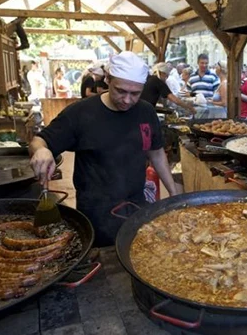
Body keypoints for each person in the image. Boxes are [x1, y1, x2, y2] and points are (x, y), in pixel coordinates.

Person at [29, 51, 178, 247]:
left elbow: (156, 153)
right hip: (96, 212)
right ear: (107, 79)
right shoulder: (81, 113)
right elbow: (39, 141)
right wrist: (41, 150)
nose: (127, 100)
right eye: (120, 91)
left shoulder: (146, 111)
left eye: (135, 93)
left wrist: (175, 196)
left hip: (136, 205)